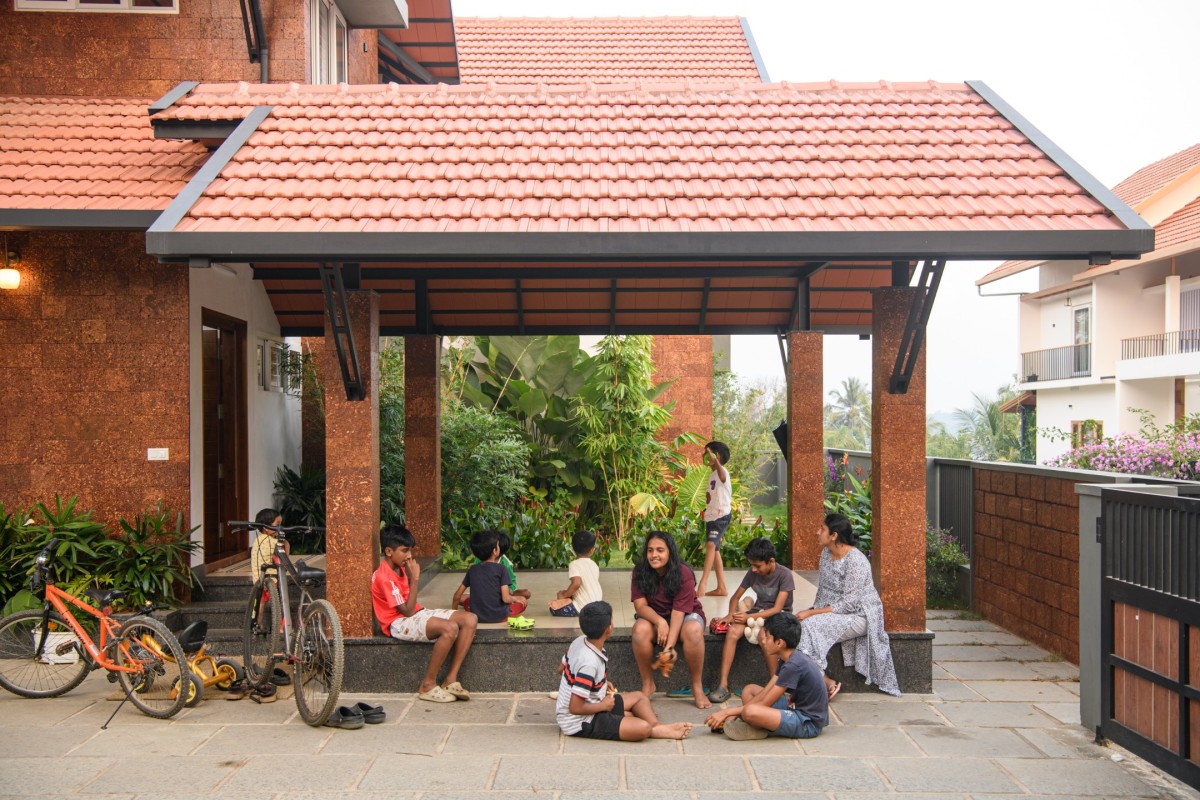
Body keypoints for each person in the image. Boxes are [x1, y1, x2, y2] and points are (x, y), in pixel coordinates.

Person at [796, 513, 901, 698]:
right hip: (837, 610)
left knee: (809, 626)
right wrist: (814, 609)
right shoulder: (826, 554)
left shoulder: (856, 561)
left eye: (822, 529)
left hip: (860, 615)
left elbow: (850, 604)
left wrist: (812, 614)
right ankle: (815, 682)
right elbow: (824, 590)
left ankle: (824, 684)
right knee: (797, 626)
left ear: (834, 535)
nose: (817, 532)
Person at [555, 601, 693, 741]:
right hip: (580, 721)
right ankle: (653, 729)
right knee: (642, 727)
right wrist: (602, 705)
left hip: (594, 702)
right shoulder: (589, 663)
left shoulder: (579, 641)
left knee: (640, 697)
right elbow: (575, 707)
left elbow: (561, 669)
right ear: (609, 629)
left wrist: (598, 683)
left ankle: (657, 726)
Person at [371, 524, 477, 703]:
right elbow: (407, 611)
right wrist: (416, 579)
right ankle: (427, 685)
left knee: (470, 618)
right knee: (449, 628)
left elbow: (413, 609)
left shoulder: (400, 567)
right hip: (398, 623)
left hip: (415, 613)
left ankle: (450, 680)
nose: (409, 555)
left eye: (410, 550)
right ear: (389, 551)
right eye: (404, 551)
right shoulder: (384, 577)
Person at [704, 613, 828, 740]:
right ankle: (757, 724)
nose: (763, 640)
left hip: (807, 722)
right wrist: (735, 715)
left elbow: (765, 702)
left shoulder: (793, 666)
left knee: (750, 711)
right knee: (749, 690)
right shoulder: (787, 658)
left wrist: (727, 712)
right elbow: (766, 692)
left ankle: (761, 728)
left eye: (767, 637)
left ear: (779, 643)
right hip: (793, 707)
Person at [706, 537, 796, 703]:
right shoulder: (752, 573)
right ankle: (723, 685)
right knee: (733, 632)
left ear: (771, 561)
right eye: (751, 565)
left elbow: (777, 609)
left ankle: (775, 685)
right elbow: (735, 597)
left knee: (764, 637)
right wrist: (729, 615)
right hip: (757, 613)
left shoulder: (784, 575)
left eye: (757, 566)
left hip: (779, 616)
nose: (753, 569)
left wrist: (747, 616)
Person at [630, 530, 710, 709]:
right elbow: (640, 606)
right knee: (639, 629)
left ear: (670, 552)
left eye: (660, 550)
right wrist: (659, 621)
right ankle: (648, 684)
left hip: (687, 614)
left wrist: (669, 648)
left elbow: (678, 612)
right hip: (656, 616)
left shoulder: (683, 573)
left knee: (693, 630)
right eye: (650, 550)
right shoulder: (640, 571)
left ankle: (696, 686)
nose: (654, 555)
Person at [452, 529, 528, 623]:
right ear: (495, 551)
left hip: (476, 616)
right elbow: (506, 598)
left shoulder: (472, 569)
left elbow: (456, 596)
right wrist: (516, 598)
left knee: (467, 601)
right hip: (499, 617)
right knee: (523, 601)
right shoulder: (502, 569)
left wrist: (454, 615)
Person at [697, 441, 732, 597]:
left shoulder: (722, 471)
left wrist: (716, 462)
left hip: (721, 516)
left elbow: (722, 476)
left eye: (707, 453)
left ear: (716, 456)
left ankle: (703, 583)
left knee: (711, 545)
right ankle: (721, 588)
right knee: (715, 549)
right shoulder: (712, 475)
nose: (703, 455)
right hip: (712, 518)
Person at [549, 529, 603, 617]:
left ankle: (570, 601)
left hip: (583, 608)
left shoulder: (574, 564)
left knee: (553, 609)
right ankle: (570, 600)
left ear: (573, 548)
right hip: (597, 604)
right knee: (569, 594)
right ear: (592, 550)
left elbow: (576, 583)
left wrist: (564, 594)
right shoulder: (594, 565)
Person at [249, 507, 287, 581]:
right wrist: (285, 542)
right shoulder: (271, 541)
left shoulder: (258, 540)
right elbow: (283, 549)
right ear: (266, 527)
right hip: (272, 578)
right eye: (277, 524)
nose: (280, 527)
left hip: (258, 579)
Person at [496, 530, 532, 603]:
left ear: (495, 550)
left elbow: (512, 581)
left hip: (502, 592)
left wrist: (509, 590)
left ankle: (510, 599)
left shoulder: (506, 564)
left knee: (526, 593)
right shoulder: (479, 560)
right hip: (486, 592)